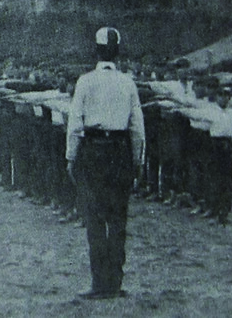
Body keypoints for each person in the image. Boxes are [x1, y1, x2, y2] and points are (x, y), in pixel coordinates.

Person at [65, 27, 145, 300]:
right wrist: (136, 160)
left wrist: (71, 157)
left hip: (93, 152)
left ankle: (100, 282)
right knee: (118, 219)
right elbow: (137, 128)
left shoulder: (85, 82)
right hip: (120, 152)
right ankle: (115, 282)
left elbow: (75, 125)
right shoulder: (128, 83)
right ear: (118, 51)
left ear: (96, 50)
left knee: (95, 220)